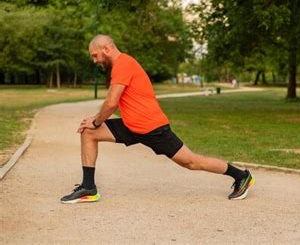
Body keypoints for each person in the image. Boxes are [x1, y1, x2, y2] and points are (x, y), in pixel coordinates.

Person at [60, 34, 254, 204]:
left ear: (106, 49)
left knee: (192, 162)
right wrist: (93, 122)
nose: (95, 60)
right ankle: (88, 188)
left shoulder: (123, 64)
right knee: (88, 132)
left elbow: (111, 103)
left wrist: (96, 120)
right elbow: (113, 104)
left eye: (95, 55)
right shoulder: (121, 65)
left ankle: (241, 176)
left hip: (152, 127)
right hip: (132, 125)